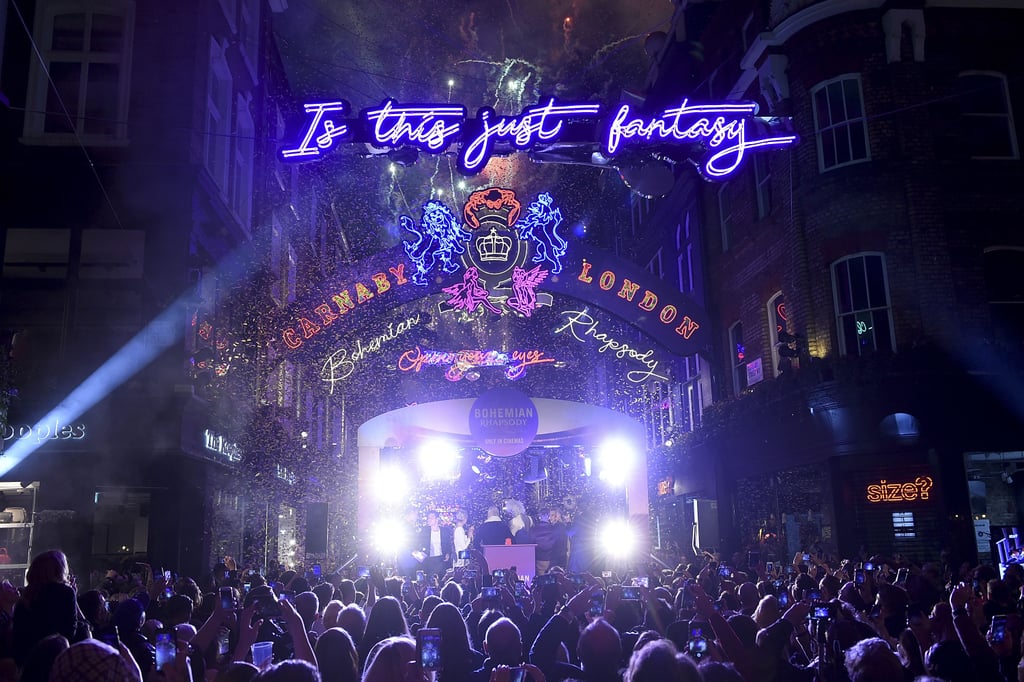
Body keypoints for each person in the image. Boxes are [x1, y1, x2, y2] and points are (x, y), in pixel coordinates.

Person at [13, 550, 89, 667]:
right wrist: (73, 597)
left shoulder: (25, 595)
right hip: (56, 663)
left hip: (26, 663)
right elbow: (71, 632)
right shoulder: (65, 592)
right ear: (61, 570)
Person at [419, 511, 454, 579]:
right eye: (428, 518)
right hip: (429, 559)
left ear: (437, 519)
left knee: (442, 578)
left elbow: (448, 544)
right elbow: (419, 543)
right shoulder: (425, 531)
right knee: (430, 579)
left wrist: (448, 553)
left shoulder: (444, 531)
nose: (429, 519)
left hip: (441, 559)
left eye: (431, 517)